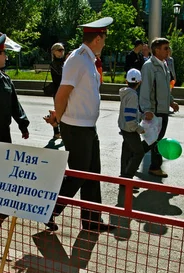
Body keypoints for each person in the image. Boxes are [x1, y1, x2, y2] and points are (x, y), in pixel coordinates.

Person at [43, 17, 114, 232]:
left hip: (87, 126)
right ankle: (48, 210)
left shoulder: (89, 60)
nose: (105, 42)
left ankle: (92, 221)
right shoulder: (78, 59)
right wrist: (58, 119)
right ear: (98, 38)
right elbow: (62, 94)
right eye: (104, 38)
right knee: (79, 174)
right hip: (75, 127)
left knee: (93, 174)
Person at [139, 37, 180, 178]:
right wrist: (147, 110)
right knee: (152, 141)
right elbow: (145, 90)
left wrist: (171, 102)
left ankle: (152, 165)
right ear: (156, 50)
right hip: (154, 111)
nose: (168, 51)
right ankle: (134, 161)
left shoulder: (164, 64)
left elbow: (165, 89)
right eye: (165, 48)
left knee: (157, 140)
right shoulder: (149, 66)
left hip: (163, 110)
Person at [118, 68, 146, 186]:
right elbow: (130, 117)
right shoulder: (133, 95)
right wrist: (139, 129)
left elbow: (129, 112)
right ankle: (128, 178)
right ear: (139, 82)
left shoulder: (125, 93)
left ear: (126, 81)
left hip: (124, 128)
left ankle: (123, 177)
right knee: (139, 153)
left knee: (126, 152)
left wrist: (142, 115)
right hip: (130, 129)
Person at [49, 42, 65, 140]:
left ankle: (59, 132)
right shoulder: (54, 64)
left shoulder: (63, 62)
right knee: (60, 112)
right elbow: (60, 76)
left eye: (63, 49)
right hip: (58, 91)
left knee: (63, 112)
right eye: (59, 50)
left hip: (63, 90)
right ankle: (57, 131)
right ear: (54, 52)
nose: (62, 52)